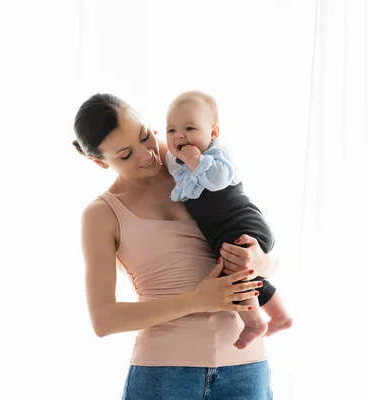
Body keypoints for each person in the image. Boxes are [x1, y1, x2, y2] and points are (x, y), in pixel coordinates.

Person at [73, 93, 278, 399]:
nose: (148, 155)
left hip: (245, 367)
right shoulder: (101, 214)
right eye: (126, 154)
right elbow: (104, 320)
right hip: (165, 374)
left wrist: (262, 263)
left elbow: (254, 234)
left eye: (145, 136)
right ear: (98, 161)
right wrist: (197, 300)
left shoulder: (197, 165)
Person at [165, 90, 293, 350]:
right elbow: (168, 162)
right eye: (171, 130)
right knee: (245, 275)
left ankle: (255, 322)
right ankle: (280, 317)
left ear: (213, 133)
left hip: (243, 225)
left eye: (189, 128)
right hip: (224, 233)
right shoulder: (179, 162)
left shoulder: (217, 156)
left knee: (236, 277)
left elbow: (217, 180)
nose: (180, 136)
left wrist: (196, 160)